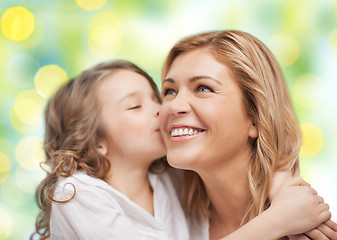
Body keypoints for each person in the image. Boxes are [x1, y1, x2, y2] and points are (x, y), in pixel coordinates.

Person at [31, 59, 333, 240]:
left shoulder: (169, 176)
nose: (163, 110)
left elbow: (247, 157)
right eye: (136, 106)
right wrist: (277, 220)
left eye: (157, 98)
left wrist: (281, 187)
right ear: (96, 139)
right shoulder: (77, 193)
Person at [159, 30, 337, 240]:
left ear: (256, 117)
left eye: (203, 88)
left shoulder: (308, 228)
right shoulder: (162, 212)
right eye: (170, 91)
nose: (174, 106)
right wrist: (276, 220)